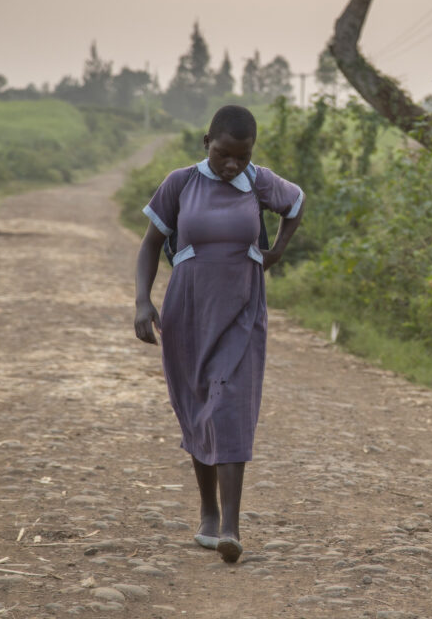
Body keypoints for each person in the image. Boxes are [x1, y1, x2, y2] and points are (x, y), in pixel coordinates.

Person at [133, 105, 305, 563]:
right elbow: (150, 244)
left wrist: (276, 252)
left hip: (242, 310)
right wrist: (142, 301)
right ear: (206, 142)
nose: (232, 165)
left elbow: (295, 203)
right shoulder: (181, 183)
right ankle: (208, 512)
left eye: (242, 157)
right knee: (198, 407)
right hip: (188, 310)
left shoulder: (259, 182)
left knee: (230, 407)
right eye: (223, 154)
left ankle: (230, 525)